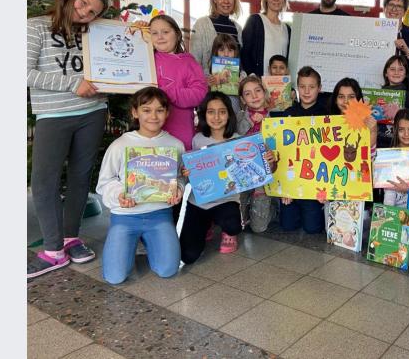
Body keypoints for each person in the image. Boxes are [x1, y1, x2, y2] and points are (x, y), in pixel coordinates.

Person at [27, 0, 110, 279]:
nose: (85, 12)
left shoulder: (93, 33)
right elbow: (24, 72)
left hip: (93, 112)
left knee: (79, 178)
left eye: (93, 12)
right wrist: (72, 84)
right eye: (85, 3)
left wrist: (136, 34)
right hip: (53, 113)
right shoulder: (35, 27)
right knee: (44, 181)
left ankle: (70, 238)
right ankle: (52, 249)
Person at [95, 88, 184, 284]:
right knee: (115, 277)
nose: (153, 116)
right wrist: (119, 194)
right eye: (146, 110)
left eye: (160, 110)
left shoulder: (175, 145)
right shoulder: (120, 145)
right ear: (135, 112)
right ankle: (127, 245)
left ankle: (146, 242)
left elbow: (180, 177)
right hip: (125, 218)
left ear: (167, 113)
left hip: (160, 216)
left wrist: (178, 189)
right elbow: (104, 183)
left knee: (167, 269)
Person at [180, 92, 243, 263]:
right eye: (211, 112)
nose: (216, 117)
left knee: (233, 225)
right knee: (188, 256)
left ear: (229, 114)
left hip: (226, 200)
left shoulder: (237, 140)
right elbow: (189, 173)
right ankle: (207, 224)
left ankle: (227, 231)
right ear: (203, 114)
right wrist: (186, 172)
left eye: (222, 112)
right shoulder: (197, 140)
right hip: (199, 201)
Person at [142, 14, 208, 151]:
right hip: (149, 128)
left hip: (180, 127)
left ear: (177, 35)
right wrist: (137, 29)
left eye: (165, 32)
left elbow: (199, 93)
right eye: (154, 33)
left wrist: (164, 93)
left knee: (179, 166)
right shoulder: (145, 58)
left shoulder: (188, 61)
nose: (160, 37)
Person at [279, 66, 329, 233]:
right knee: (288, 226)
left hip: (314, 184)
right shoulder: (288, 114)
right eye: (302, 86)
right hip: (292, 181)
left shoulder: (327, 116)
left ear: (319, 88)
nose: (307, 91)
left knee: (312, 229)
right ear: (297, 88)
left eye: (312, 87)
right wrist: (284, 188)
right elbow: (281, 153)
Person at [236, 75, 277, 232]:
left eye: (257, 91)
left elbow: (279, 147)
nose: (254, 96)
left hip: (264, 175)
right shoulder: (240, 117)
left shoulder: (274, 118)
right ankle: (246, 209)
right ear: (242, 98)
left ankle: (273, 209)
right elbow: (235, 137)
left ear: (264, 92)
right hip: (243, 172)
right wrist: (251, 121)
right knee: (238, 221)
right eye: (248, 93)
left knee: (258, 228)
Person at [190, 0, 244, 74]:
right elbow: (194, 62)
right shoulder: (201, 24)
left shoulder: (238, 28)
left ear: (234, 0)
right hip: (207, 86)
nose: (226, 1)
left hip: (234, 86)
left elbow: (240, 63)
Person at [240, 0, 292, 77]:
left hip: (279, 85)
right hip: (258, 81)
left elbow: (289, 60)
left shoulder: (287, 29)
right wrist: (252, 76)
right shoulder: (255, 21)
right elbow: (245, 53)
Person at [382, 109, 409, 208]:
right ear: (395, 130)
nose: (406, 134)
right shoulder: (389, 156)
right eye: (401, 129)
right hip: (393, 213)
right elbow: (388, 192)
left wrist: (408, 190)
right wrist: (388, 216)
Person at [377, 55, 409, 148]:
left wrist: (401, 112)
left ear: (406, 74)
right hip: (379, 141)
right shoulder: (377, 94)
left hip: (401, 143)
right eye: (392, 69)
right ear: (386, 73)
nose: (396, 72)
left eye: (401, 69)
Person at [207, 34, 243, 115]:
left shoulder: (242, 74)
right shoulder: (208, 74)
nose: (226, 54)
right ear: (215, 52)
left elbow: (246, 100)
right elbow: (201, 99)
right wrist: (208, 86)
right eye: (222, 50)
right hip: (215, 115)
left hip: (234, 112)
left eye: (230, 50)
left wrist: (242, 87)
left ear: (235, 52)